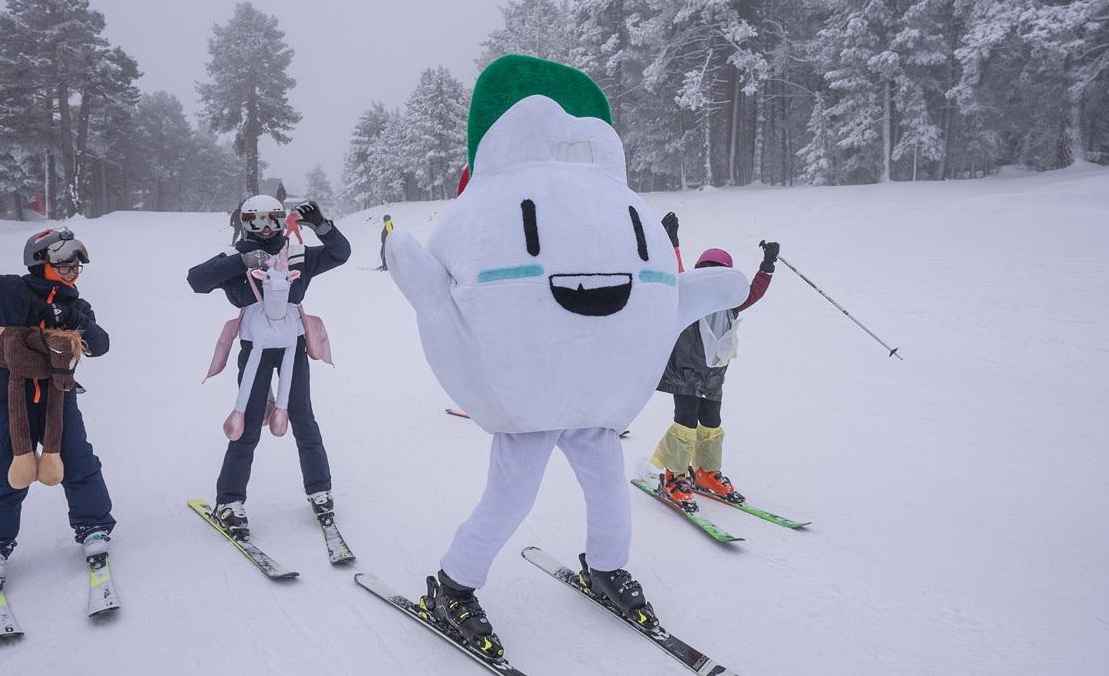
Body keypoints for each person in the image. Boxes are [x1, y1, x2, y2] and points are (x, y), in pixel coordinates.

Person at [385, 55, 748, 660]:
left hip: (593, 408)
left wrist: (698, 294)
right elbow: (439, 293)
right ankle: (452, 587)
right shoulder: (494, 198)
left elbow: (663, 302)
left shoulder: (609, 193)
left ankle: (606, 568)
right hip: (529, 409)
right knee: (511, 498)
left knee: (609, 487)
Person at [0, 188, 116, 585]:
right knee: (5, 468)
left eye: (77, 266)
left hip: (56, 392)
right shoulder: (6, 290)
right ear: (40, 262)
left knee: (77, 458)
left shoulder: (76, 304)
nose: (72, 272)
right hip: (5, 393)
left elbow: (101, 346)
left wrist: (75, 319)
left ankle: (93, 525)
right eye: (64, 263)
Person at [186, 195, 350, 539]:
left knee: (303, 417)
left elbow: (340, 253)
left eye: (274, 220)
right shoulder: (238, 257)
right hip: (255, 346)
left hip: (293, 343)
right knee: (248, 419)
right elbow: (197, 280)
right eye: (257, 221)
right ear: (245, 223)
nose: (266, 228)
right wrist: (240, 262)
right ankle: (230, 500)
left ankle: (320, 489)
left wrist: (322, 226)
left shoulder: (298, 254)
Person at [650, 214, 778, 511]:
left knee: (711, 422)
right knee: (686, 422)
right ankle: (674, 475)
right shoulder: (690, 296)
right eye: (706, 272)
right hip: (685, 372)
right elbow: (676, 270)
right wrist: (672, 241)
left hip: (713, 375)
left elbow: (754, 291)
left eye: (718, 273)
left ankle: (706, 472)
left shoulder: (732, 303)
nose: (712, 279)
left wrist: (768, 266)